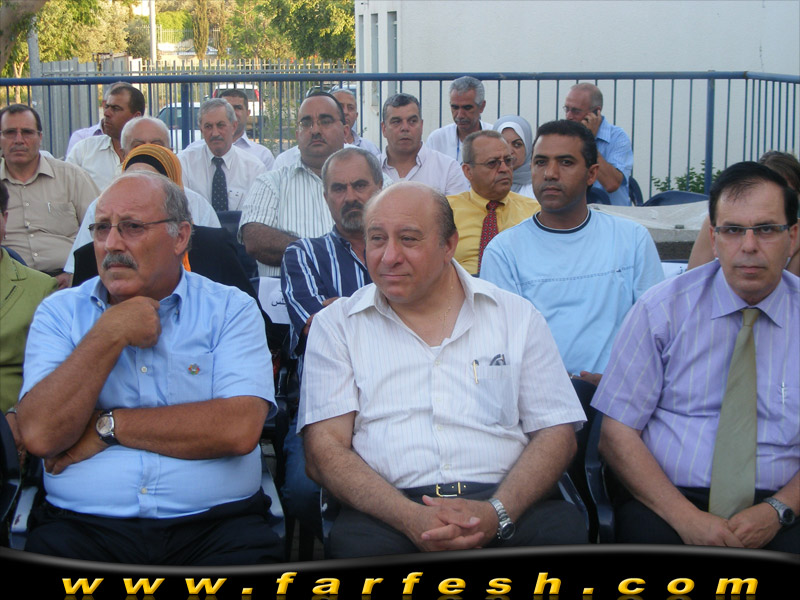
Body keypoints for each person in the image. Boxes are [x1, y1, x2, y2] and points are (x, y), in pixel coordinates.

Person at [300, 181, 587, 558]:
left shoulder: (515, 317)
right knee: (358, 549)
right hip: (388, 509)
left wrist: (497, 513)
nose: (389, 257)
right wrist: (409, 518)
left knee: (560, 536)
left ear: (449, 245)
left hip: (509, 499)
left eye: (409, 239)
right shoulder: (337, 325)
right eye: (377, 239)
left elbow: (556, 432)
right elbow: (324, 448)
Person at [16, 171, 283, 565]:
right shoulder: (59, 313)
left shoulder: (230, 309)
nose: (111, 244)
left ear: (180, 237)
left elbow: (238, 428)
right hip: (82, 529)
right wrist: (109, 333)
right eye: (102, 228)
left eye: (132, 227)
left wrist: (107, 427)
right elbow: (40, 434)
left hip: (217, 528)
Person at [591, 161, 799, 553]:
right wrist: (685, 518)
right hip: (669, 501)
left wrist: (778, 509)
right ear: (713, 237)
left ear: (793, 235)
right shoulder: (661, 310)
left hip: (784, 505)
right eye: (733, 230)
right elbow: (617, 433)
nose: (749, 246)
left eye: (766, 229)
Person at [481, 120, 663, 383]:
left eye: (565, 162)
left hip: (622, 393)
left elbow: (655, 331)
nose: (550, 173)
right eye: (540, 162)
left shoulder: (631, 239)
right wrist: (556, 385)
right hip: (535, 394)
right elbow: (502, 345)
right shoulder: (503, 251)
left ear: (591, 174)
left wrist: (617, 383)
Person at [279, 147, 383, 539]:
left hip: (395, 397)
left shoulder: (401, 251)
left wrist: (340, 309)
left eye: (360, 185)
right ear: (325, 197)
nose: (350, 196)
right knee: (304, 492)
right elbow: (316, 328)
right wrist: (388, 316)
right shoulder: (303, 254)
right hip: (326, 404)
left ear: (379, 187)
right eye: (338, 188)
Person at [64, 117, 221, 276]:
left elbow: (217, 262)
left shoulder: (198, 206)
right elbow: (80, 269)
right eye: (138, 146)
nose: (148, 151)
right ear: (123, 155)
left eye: (157, 145)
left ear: (171, 152)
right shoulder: (101, 207)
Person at [239, 92, 349, 277]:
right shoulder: (270, 183)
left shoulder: (374, 183)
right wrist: (326, 254)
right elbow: (255, 239)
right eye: (306, 123)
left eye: (325, 121)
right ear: (298, 135)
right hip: (284, 293)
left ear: (345, 132)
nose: (315, 130)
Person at [1, 104, 98, 288]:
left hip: (69, 283)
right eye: (10, 132)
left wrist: (73, 273)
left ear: (40, 137)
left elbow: (100, 228)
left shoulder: (72, 177)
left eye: (27, 132)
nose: (19, 140)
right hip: (9, 286)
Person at [1, 180, 57, 461]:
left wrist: (18, 413)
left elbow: (50, 374)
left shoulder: (41, 289)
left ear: (4, 219)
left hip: (9, 429)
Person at [688, 150, 800, 276]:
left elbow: (791, 283)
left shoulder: (796, 231)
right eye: (734, 230)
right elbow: (694, 274)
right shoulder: (720, 221)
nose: (749, 246)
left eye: (790, 193)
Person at [447, 130, 539, 275]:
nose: (504, 169)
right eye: (492, 163)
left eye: (508, 161)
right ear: (468, 171)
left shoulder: (534, 212)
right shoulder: (446, 211)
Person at [178, 98, 265, 211]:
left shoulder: (254, 169)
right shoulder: (184, 163)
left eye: (220, 125)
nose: (215, 133)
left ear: (234, 127)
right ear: (201, 130)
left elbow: (257, 213)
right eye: (208, 127)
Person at [379, 93, 468, 195]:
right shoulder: (370, 170)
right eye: (396, 122)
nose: (405, 128)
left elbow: (458, 205)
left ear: (421, 126)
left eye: (412, 121)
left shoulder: (448, 169)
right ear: (384, 128)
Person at [563, 83, 633, 206]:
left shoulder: (618, 137)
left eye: (576, 111)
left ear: (596, 112)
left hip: (612, 213)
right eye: (566, 109)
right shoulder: (565, 137)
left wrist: (588, 140)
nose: (569, 116)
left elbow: (611, 184)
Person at [66, 82, 145, 191]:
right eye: (106, 107)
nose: (106, 113)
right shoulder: (84, 150)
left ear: (136, 117)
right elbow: (65, 189)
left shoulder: (151, 154)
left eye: (116, 108)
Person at [184, 89, 275, 170]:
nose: (232, 113)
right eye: (227, 108)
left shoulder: (262, 156)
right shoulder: (190, 155)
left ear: (248, 113)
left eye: (237, 108)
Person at [427, 76, 493, 164]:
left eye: (467, 108)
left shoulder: (496, 138)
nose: (460, 115)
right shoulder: (437, 139)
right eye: (455, 107)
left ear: (482, 106)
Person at [493, 115, 534, 198]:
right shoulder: (481, 183)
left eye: (517, 144)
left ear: (528, 148)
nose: (509, 151)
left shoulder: (539, 187)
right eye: (503, 144)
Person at [332, 87, 381, 157]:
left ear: (356, 115)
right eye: (340, 107)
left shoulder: (370, 149)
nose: (345, 112)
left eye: (350, 108)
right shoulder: (320, 146)